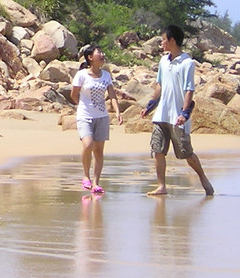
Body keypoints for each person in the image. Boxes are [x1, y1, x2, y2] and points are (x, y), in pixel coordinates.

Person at [140, 24, 214, 197]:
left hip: (177, 116)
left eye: (163, 40)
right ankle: (161, 186)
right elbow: (159, 85)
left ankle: (203, 178)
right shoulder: (163, 61)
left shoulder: (187, 63)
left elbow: (189, 89)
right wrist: (150, 106)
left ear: (172, 40)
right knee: (157, 150)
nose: (161, 44)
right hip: (161, 114)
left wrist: (184, 113)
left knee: (186, 153)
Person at [70, 44, 123, 194]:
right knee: (88, 145)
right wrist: (81, 107)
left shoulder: (106, 75)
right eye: (99, 52)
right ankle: (85, 176)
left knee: (99, 151)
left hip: (102, 117)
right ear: (90, 57)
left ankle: (96, 183)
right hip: (85, 116)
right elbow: (74, 95)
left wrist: (117, 111)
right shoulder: (81, 75)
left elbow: (112, 95)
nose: (102, 55)